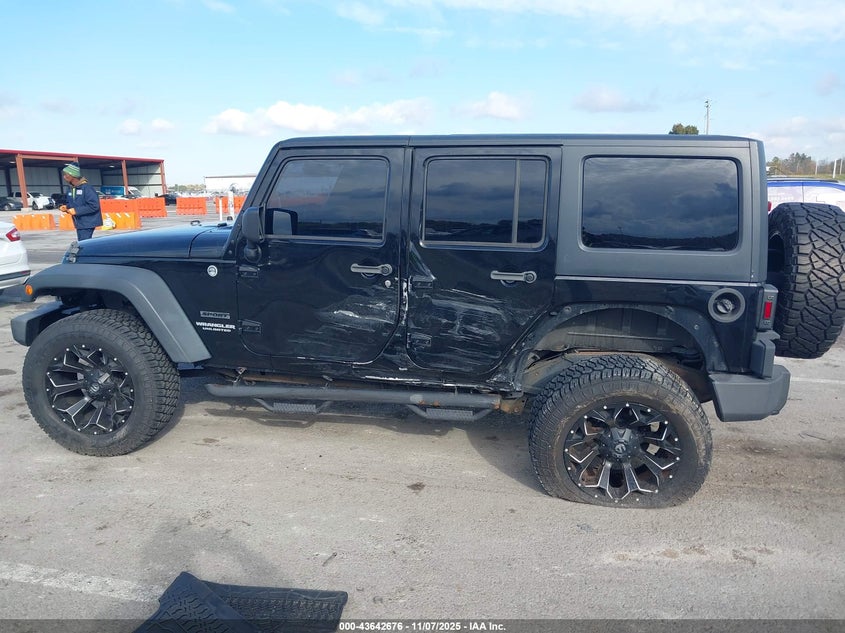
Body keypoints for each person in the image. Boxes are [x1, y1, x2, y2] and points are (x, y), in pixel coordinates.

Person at [60, 163, 102, 241]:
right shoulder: (71, 189)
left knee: (84, 243)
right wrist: (67, 207)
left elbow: (94, 206)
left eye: (66, 175)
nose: (64, 177)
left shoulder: (87, 188)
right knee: (82, 243)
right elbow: (73, 203)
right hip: (79, 222)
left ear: (72, 175)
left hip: (88, 222)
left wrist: (76, 211)